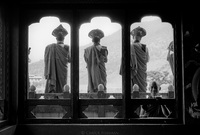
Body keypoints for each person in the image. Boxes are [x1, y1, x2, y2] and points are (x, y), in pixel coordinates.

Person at [44, 24, 71, 93]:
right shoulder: (67, 47)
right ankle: (63, 96)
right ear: (64, 38)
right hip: (63, 70)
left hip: (55, 70)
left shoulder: (49, 47)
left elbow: (46, 60)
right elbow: (70, 60)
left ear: (56, 38)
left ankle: (53, 94)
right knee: (63, 85)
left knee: (56, 83)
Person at [84, 29, 108, 93]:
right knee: (102, 83)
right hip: (100, 69)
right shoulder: (103, 48)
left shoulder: (87, 50)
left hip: (92, 70)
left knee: (93, 82)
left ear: (92, 40)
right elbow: (106, 60)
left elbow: (86, 60)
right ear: (99, 40)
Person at [130, 26, 149, 92]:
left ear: (133, 37)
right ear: (140, 38)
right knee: (142, 90)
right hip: (142, 72)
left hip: (135, 71)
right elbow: (147, 60)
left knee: (135, 89)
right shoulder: (145, 47)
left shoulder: (132, 46)